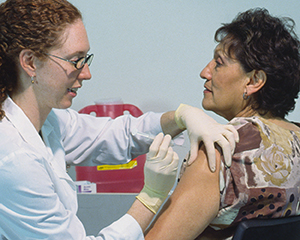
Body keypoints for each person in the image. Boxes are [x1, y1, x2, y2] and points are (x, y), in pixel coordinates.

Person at [0, 0, 239, 239]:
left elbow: (115, 135)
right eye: (75, 60)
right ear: (30, 62)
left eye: (86, 59)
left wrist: (180, 117)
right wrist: (150, 197)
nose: (86, 73)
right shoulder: (14, 158)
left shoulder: (50, 122)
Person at [145, 8, 300, 240]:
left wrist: (150, 195)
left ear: (254, 81)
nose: (204, 72)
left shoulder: (220, 150)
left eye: (219, 63)